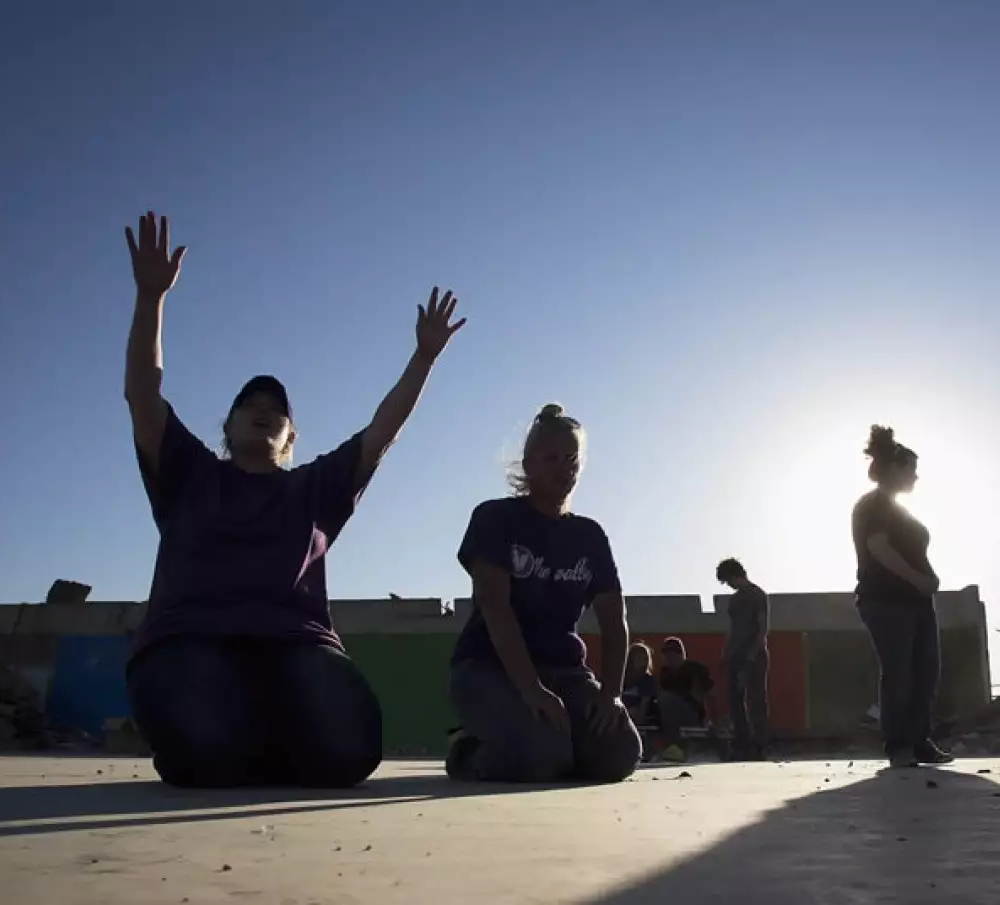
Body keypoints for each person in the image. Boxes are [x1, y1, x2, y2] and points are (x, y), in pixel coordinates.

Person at [120, 212, 465, 788]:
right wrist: (150, 298)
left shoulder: (315, 488)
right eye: (249, 403)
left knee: (352, 752)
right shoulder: (188, 472)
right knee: (204, 754)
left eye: (277, 408)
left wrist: (423, 359)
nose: (264, 408)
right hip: (191, 640)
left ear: (290, 436)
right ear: (226, 426)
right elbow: (142, 393)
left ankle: (254, 735)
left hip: (294, 647)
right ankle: (221, 735)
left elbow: (381, 432)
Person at [445, 404, 642, 783]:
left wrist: (610, 695)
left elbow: (614, 621)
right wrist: (531, 689)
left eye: (571, 459)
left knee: (617, 755)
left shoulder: (590, 535)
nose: (562, 467)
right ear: (528, 463)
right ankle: (469, 752)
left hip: (566, 672)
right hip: (489, 669)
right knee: (542, 757)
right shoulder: (495, 518)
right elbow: (495, 607)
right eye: (550, 457)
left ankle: (554, 745)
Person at [851, 425, 953, 768]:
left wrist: (925, 582)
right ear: (895, 469)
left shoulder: (899, 510)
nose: (916, 476)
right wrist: (916, 579)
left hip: (917, 602)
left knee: (926, 670)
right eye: (911, 469)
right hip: (885, 600)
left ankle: (920, 740)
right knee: (899, 671)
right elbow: (878, 547)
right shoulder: (874, 504)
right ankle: (899, 746)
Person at [717, 558, 771, 761]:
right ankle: (742, 745)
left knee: (756, 700)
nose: (728, 585)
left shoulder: (757, 595)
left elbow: (762, 627)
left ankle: (759, 746)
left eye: (728, 580)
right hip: (735, 656)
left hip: (754, 655)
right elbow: (733, 631)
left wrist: (753, 652)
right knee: (735, 701)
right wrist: (726, 654)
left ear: (735, 574)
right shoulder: (735, 600)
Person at [621, 641, 659, 727]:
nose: (643, 662)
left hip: (634, 721)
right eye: (639, 658)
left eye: (645, 659)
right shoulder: (621, 678)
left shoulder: (647, 681)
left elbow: (643, 710)